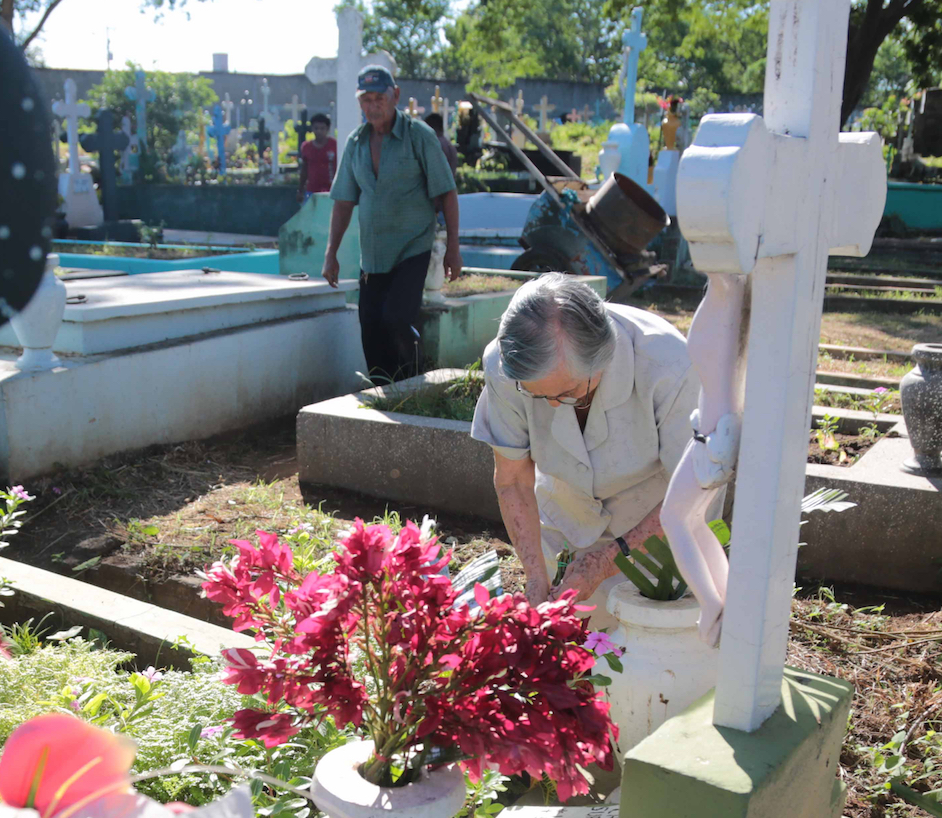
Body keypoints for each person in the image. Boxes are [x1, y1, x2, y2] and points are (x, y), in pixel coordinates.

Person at [470, 272, 741, 629]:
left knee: (651, 648)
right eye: (537, 395)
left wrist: (607, 559)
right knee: (573, 647)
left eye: (568, 393)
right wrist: (535, 577)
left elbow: (696, 492)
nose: (553, 406)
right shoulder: (506, 366)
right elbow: (513, 481)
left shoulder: (671, 367)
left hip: (659, 530)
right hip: (567, 519)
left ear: (603, 359)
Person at [324, 65, 462, 384]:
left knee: (397, 318)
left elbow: (447, 192)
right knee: (370, 325)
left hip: (412, 248)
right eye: (366, 100)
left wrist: (453, 248)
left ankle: (416, 383)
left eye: (379, 99)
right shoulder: (356, 143)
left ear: (395, 96)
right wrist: (331, 253)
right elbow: (343, 202)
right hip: (373, 256)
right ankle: (385, 393)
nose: (373, 107)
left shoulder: (419, 136)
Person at [298, 113, 337, 199]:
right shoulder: (306, 147)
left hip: (331, 190)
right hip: (312, 190)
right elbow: (304, 169)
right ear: (312, 129)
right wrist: (300, 190)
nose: (319, 131)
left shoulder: (335, 145)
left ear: (327, 129)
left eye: (322, 128)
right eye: (316, 128)